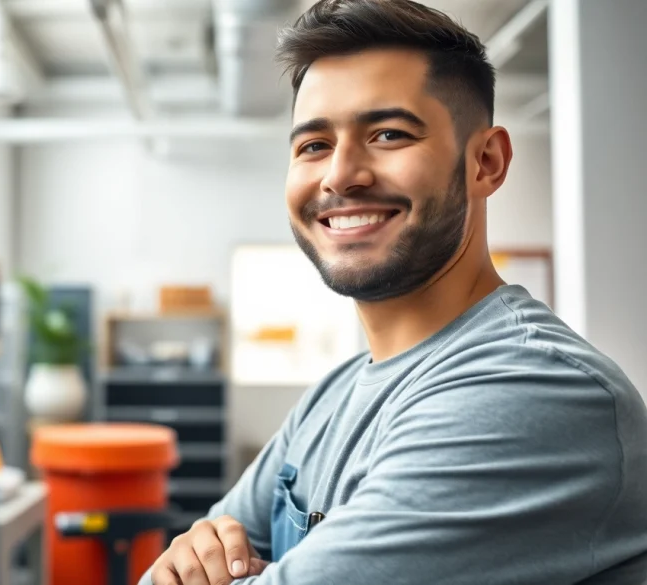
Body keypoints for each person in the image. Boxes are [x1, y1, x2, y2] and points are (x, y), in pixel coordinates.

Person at [140, 0, 647, 584]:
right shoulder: (331, 397)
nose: (339, 175)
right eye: (313, 145)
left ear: (486, 162)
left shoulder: (536, 388)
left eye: (388, 134)